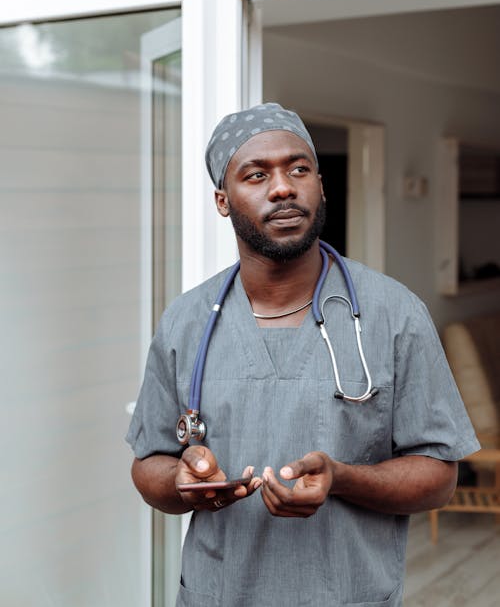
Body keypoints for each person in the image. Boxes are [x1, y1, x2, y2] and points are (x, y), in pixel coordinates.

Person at [127, 102, 479, 607]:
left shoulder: (393, 313)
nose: (283, 187)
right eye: (256, 174)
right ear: (223, 201)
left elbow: (439, 478)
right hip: (215, 595)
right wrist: (181, 479)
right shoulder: (187, 321)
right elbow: (148, 464)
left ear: (320, 184)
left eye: (299, 168)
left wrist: (344, 478)